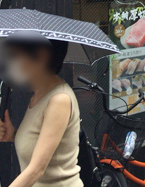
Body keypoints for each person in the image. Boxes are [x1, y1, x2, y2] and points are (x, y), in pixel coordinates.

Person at [0, 32, 83, 187]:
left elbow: (36, 170)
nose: (12, 63)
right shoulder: (38, 94)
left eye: (16, 55)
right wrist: (13, 135)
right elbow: (41, 144)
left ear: (42, 56)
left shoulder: (59, 99)